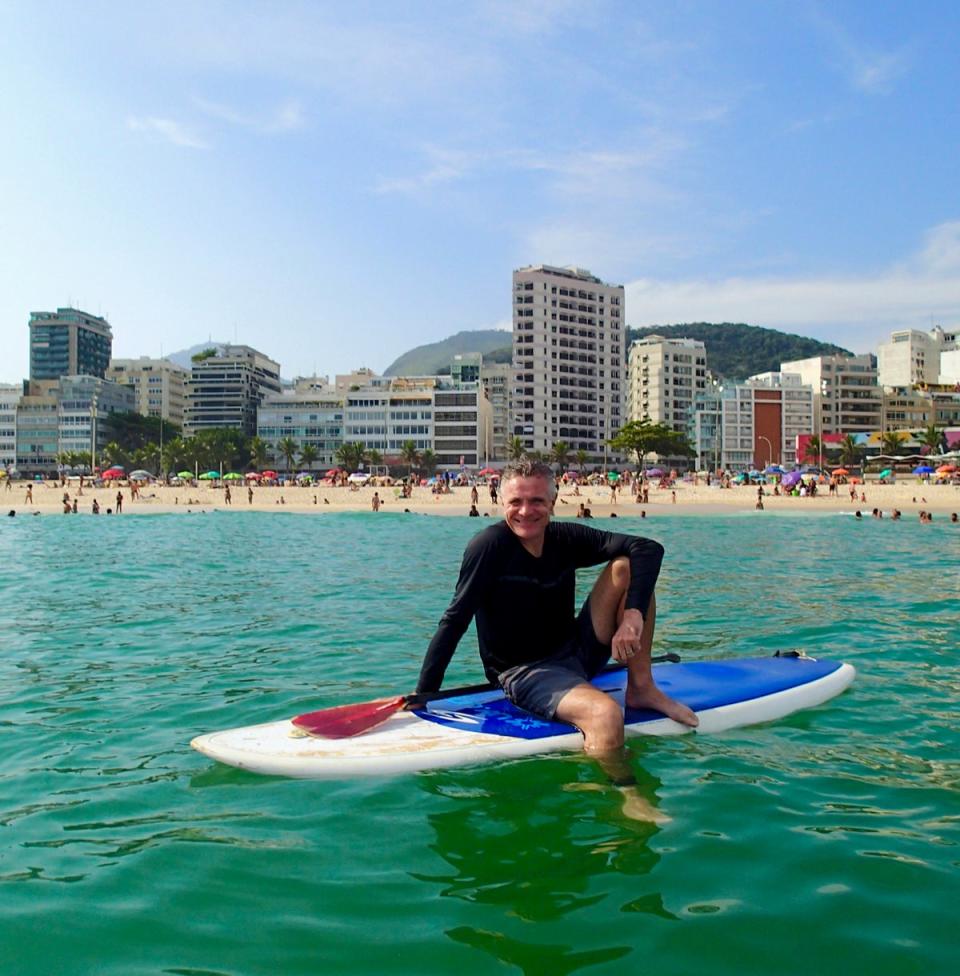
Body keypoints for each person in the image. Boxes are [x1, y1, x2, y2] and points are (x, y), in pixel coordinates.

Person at [417, 459, 697, 797]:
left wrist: (633, 614)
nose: (525, 511)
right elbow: (455, 621)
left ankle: (642, 687)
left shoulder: (564, 537)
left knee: (626, 567)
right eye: (515, 502)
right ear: (501, 502)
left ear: (553, 501)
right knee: (606, 715)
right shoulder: (489, 547)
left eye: (536, 501)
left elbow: (647, 548)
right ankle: (628, 795)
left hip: (575, 652)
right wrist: (423, 698)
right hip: (525, 672)